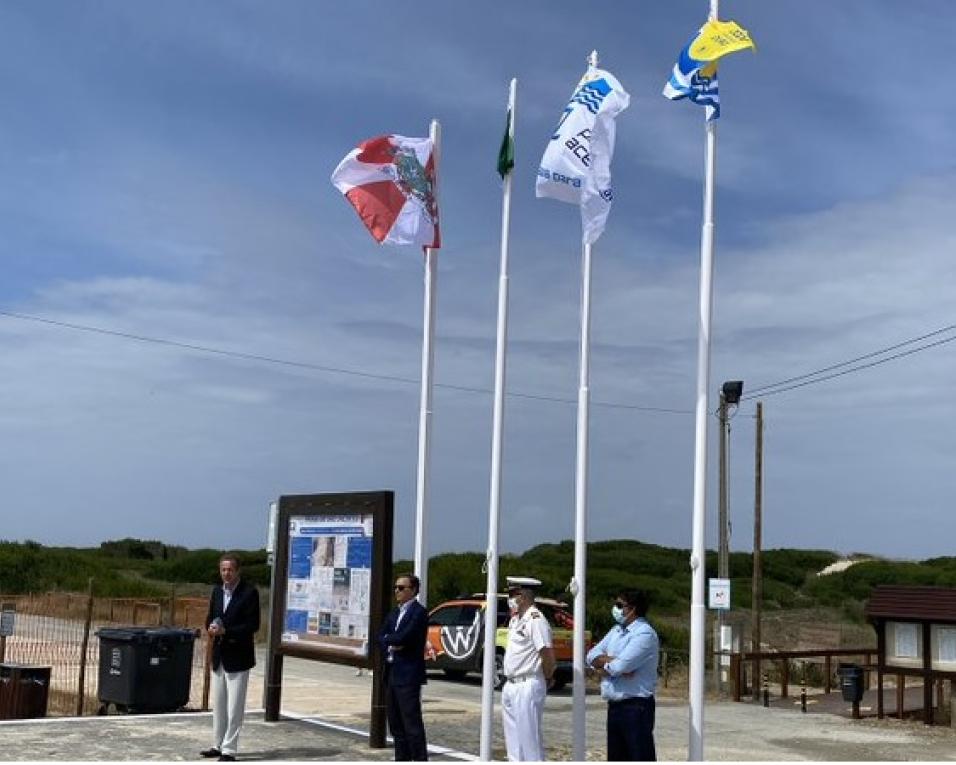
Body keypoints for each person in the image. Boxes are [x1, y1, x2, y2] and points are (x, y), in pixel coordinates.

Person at [586, 589, 660, 761]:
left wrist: (610, 665)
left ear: (633, 609)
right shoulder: (616, 630)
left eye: (619, 605)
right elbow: (590, 655)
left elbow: (620, 666)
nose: (615, 609)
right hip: (615, 706)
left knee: (639, 757)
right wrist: (612, 663)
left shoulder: (644, 633)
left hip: (636, 707)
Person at [201, 553, 261, 763]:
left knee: (234, 707)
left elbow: (252, 625)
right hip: (219, 655)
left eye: (230, 570)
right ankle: (217, 744)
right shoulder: (217, 591)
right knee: (219, 705)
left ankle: (229, 749)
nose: (226, 573)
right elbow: (210, 616)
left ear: (238, 571)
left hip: (238, 657)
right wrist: (210, 627)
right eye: (223, 569)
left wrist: (227, 631)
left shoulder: (249, 593)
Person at [501, 576, 555, 762]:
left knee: (530, 741)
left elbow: (546, 653)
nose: (509, 599)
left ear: (522, 596)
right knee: (514, 743)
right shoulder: (516, 620)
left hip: (527, 683)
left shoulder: (535, 619)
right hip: (511, 683)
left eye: (511, 594)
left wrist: (547, 677)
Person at [379, 573, 429, 761]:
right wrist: (389, 642)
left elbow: (405, 637)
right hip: (391, 673)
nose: (396, 591)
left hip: (408, 675)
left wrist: (389, 640)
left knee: (412, 725)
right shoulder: (394, 613)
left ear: (413, 590)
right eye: (395, 587)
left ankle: (419, 759)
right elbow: (380, 636)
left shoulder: (419, 612)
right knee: (396, 724)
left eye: (401, 588)